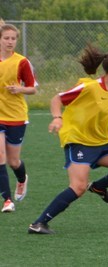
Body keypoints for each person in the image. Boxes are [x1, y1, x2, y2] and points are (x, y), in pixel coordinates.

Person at [28, 44, 108, 234]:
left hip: (102, 143)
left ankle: (99, 187)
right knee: (79, 187)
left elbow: (107, 118)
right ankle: (39, 224)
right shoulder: (89, 87)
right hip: (79, 141)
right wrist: (57, 118)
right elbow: (57, 99)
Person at [0, 22, 38, 212]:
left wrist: (19, 89)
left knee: (13, 161)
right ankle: (7, 200)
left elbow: (33, 88)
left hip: (16, 116)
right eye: (6, 38)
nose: (10, 42)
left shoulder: (22, 62)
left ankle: (22, 179)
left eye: (13, 38)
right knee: (0, 157)